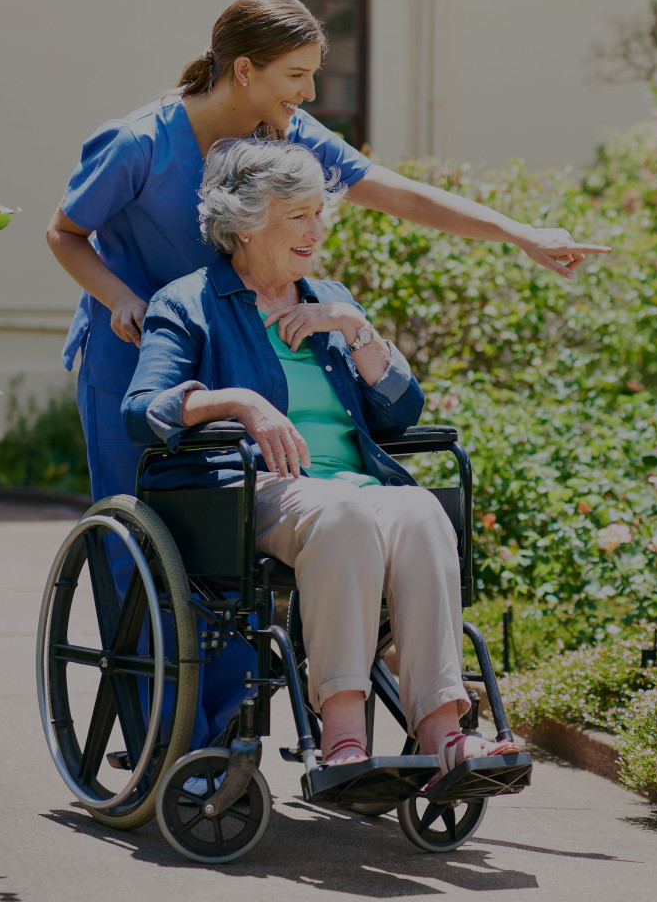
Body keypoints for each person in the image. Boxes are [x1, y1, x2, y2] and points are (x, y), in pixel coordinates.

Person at [49, 0, 606, 505]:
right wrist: (119, 297)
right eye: (296, 75)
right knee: (133, 535)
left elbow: (403, 197)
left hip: (233, 349)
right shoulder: (137, 143)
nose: (309, 93)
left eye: (313, 75)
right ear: (244, 70)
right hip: (135, 346)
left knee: (220, 541)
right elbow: (65, 233)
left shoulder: (290, 130)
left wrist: (521, 234)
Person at [124, 138, 517, 773]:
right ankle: (342, 739)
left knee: (420, 512)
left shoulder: (330, 296)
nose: (316, 230)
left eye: (318, 212)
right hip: (261, 490)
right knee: (342, 514)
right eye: (297, 216)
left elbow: (401, 412)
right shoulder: (189, 302)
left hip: (356, 487)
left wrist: (352, 326)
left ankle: (445, 733)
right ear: (247, 226)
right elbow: (143, 409)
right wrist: (240, 403)